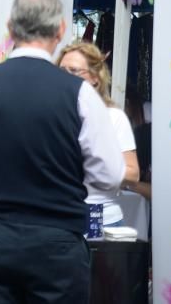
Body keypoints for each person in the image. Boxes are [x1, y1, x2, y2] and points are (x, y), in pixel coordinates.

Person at [0, 0, 126, 304]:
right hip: (57, 244)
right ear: (61, 30)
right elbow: (110, 174)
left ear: (10, 29)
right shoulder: (80, 94)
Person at [58, 42, 140, 225]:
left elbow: (133, 174)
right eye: (61, 71)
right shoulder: (51, 116)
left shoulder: (113, 117)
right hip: (59, 217)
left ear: (95, 77)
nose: (65, 78)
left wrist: (92, 162)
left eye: (73, 71)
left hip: (100, 217)